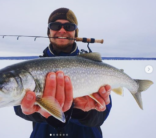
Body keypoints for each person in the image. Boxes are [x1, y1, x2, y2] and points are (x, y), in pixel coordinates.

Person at [14, 7, 112, 138]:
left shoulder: (92, 66)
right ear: (48, 32)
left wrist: (81, 113)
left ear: (75, 33)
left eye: (69, 26)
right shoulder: (33, 69)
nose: (62, 30)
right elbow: (18, 107)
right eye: (55, 25)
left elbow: (101, 116)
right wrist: (42, 113)